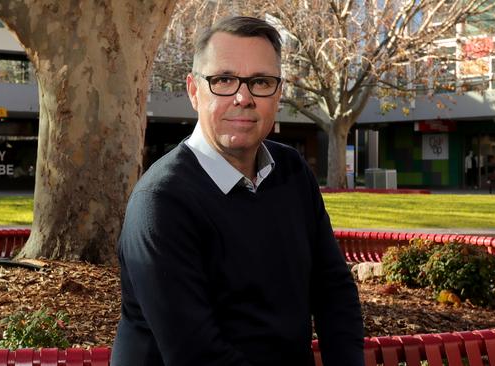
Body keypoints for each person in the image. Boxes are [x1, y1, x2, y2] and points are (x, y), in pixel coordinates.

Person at [111, 16, 365, 366]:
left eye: (260, 82)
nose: (243, 97)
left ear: (278, 93)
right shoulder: (161, 202)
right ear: (193, 91)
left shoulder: (291, 172)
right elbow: (197, 355)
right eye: (224, 80)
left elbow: (333, 290)